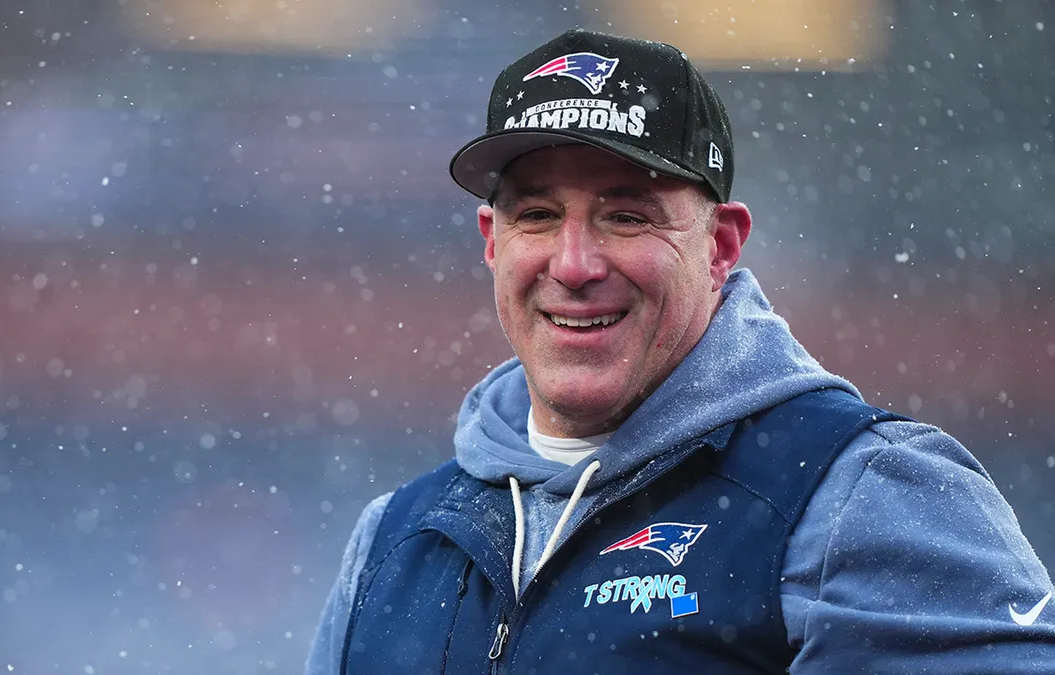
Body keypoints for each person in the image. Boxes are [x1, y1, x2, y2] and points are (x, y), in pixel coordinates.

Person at [306, 28, 1055, 673]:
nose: (574, 264)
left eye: (627, 216)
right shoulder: (393, 541)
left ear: (720, 246)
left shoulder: (864, 492)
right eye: (536, 214)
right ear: (492, 243)